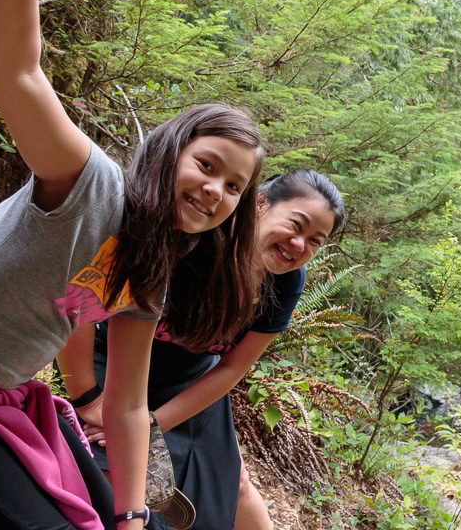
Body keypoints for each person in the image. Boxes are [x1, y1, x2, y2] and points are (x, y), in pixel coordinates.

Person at [0, 0, 265, 530]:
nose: (215, 191)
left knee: (102, 509)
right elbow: (17, 73)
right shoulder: (91, 185)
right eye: (207, 165)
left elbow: (128, 405)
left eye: (234, 187)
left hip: (5, 392)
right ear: (170, 151)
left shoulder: (148, 272)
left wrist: (135, 516)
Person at [84, 171, 345, 529]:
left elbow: (233, 367)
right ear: (260, 203)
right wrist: (96, 399)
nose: (299, 245)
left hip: (193, 382)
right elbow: (88, 302)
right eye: (296, 225)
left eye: (315, 241)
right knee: (120, 474)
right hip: (117, 364)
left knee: (233, 484)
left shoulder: (286, 281)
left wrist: (153, 424)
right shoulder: (197, 241)